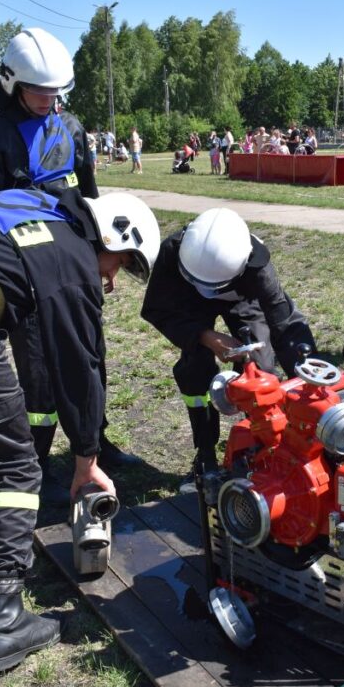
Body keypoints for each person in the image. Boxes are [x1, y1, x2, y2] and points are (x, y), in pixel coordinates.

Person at [0, 187, 160, 672]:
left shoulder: (38, 208)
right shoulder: (72, 259)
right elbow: (79, 364)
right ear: (110, 234)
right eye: (121, 263)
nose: (111, 279)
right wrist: (87, 458)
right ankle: (5, 623)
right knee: (16, 470)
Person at [0, 28, 135, 498]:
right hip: (25, 272)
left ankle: (94, 441)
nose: (48, 99)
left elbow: (90, 197)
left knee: (89, 354)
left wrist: (104, 257)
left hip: (75, 261)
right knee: (38, 368)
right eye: (38, 89)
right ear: (11, 83)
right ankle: (34, 461)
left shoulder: (73, 128)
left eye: (55, 90)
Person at [141, 208, 316, 489]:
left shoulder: (256, 265)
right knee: (195, 370)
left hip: (241, 299)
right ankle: (206, 456)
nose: (210, 290)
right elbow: (156, 309)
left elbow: (284, 322)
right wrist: (204, 336)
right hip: (189, 305)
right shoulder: (173, 253)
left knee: (261, 367)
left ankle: (261, 449)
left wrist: (309, 376)